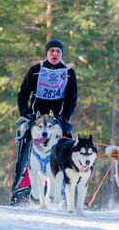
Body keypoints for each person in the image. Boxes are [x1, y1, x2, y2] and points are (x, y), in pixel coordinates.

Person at [10, 39, 77, 206]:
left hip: (58, 120)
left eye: (58, 51)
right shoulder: (35, 71)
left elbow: (71, 99)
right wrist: (25, 113)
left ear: (62, 54)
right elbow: (22, 94)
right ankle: (20, 188)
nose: (55, 54)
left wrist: (64, 117)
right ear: (47, 53)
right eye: (52, 51)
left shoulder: (68, 73)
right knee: (25, 143)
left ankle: (66, 190)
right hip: (36, 118)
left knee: (70, 145)